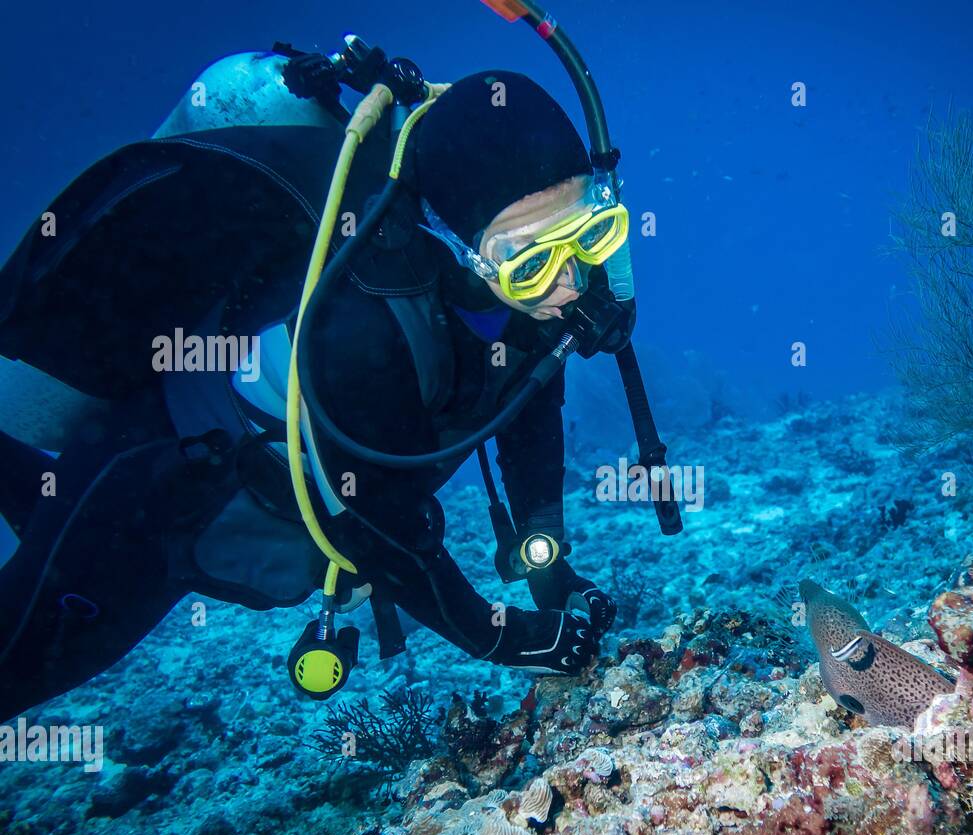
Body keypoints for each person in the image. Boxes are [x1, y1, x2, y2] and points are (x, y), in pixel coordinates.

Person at [0, 43, 650, 720]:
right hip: (159, 491)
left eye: (588, 235)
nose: (569, 281)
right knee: (23, 661)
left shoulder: (530, 300)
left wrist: (548, 569)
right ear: (454, 243)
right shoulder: (358, 328)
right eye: (529, 263)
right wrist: (502, 637)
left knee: (37, 518)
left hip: (278, 498)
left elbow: (526, 400)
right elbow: (378, 524)